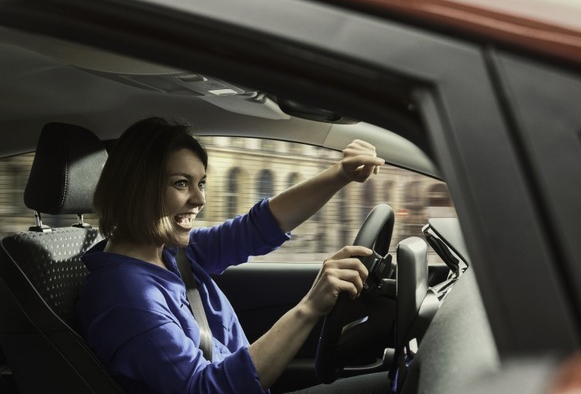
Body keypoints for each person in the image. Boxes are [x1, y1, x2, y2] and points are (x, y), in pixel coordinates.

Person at [77, 117, 391, 394]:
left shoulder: (173, 252)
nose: (199, 199)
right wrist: (308, 308)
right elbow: (204, 389)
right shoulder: (125, 297)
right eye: (181, 183)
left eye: (200, 183)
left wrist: (341, 174)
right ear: (135, 189)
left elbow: (256, 228)